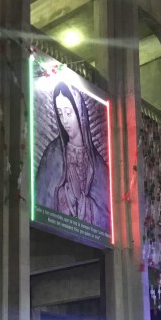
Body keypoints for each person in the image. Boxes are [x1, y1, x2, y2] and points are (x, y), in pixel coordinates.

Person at [34, 81, 110, 229]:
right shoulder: (52, 154)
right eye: (60, 113)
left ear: (80, 114)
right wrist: (65, 194)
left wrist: (81, 198)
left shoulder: (98, 165)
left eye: (69, 113)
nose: (65, 121)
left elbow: (107, 220)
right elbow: (41, 203)